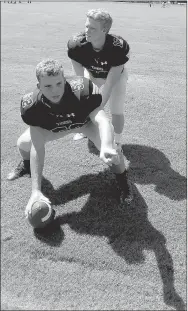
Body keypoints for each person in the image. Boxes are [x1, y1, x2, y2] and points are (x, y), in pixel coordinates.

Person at [7, 59, 133, 216]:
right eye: (48, 86)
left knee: (114, 151)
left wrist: (107, 145)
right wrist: (35, 191)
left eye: (59, 83)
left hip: (84, 124)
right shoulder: (32, 105)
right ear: (39, 86)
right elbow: (37, 147)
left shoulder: (82, 89)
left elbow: (102, 120)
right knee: (22, 144)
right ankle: (27, 166)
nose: (55, 90)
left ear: (64, 80)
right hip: (53, 128)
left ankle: (123, 183)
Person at [67, 8, 130, 144]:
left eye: (92, 28)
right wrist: (84, 100)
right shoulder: (76, 45)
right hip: (91, 74)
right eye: (86, 26)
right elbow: (80, 80)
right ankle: (84, 130)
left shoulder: (117, 47)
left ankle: (117, 141)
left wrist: (97, 108)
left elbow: (109, 84)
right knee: (83, 102)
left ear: (104, 30)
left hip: (115, 78)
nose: (87, 31)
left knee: (116, 109)